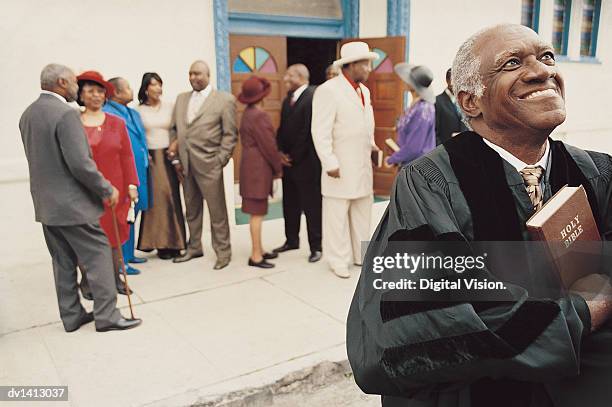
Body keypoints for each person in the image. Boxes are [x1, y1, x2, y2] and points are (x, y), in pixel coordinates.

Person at [347, 24, 612, 406]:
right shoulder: (430, 183)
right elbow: (429, 320)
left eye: (547, 56)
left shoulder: (597, 171)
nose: (542, 71)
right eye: (513, 62)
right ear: (471, 101)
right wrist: (584, 313)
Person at [19, 63, 141, 332]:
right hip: (72, 204)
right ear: (62, 82)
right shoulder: (66, 114)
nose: (77, 86)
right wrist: (106, 189)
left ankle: (72, 315)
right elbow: (80, 163)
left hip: (45, 204)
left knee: (62, 261)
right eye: (74, 82)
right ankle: (107, 315)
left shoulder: (28, 114)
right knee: (98, 251)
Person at [312, 41, 380, 279]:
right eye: (366, 64)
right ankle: (337, 260)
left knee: (363, 213)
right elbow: (320, 132)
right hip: (339, 167)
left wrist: (372, 146)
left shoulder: (365, 91)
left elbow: (366, 125)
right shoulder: (328, 90)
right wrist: (329, 162)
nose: (370, 69)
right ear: (351, 66)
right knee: (337, 217)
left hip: (361, 164)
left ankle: (362, 256)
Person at [168, 60, 237, 270]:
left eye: (197, 73)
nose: (193, 77)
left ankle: (223, 252)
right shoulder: (181, 100)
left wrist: (220, 160)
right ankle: (194, 246)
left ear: (208, 75)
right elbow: (174, 130)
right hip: (186, 166)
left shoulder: (224, 100)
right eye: (190, 74)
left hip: (210, 165)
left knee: (217, 213)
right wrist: (177, 158)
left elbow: (230, 134)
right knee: (192, 209)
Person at [77, 71, 140, 296]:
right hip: (85, 192)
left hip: (115, 191)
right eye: (90, 91)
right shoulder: (73, 123)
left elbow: (127, 156)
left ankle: (115, 279)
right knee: (88, 240)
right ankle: (88, 282)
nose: (96, 95)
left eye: (100, 91)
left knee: (114, 237)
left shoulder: (117, 123)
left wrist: (132, 184)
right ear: (81, 95)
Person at [274, 64, 322, 263]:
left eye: (289, 76)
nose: (285, 79)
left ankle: (316, 246)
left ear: (301, 77)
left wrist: (292, 155)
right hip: (289, 163)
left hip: (307, 163)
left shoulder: (314, 96)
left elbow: (307, 132)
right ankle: (291, 240)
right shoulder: (288, 100)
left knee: (312, 206)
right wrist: (279, 152)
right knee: (290, 204)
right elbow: (282, 129)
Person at [136, 73, 187, 260]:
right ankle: (160, 243)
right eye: (154, 85)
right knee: (157, 200)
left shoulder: (170, 107)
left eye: (160, 84)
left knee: (173, 197)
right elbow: (137, 135)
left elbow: (179, 128)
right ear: (146, 89)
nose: (158, 88)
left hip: (170, 156)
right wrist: (143, 154)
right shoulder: (138, 111)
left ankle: (177, 241)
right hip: (151, 159)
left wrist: (175, 145)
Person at [103, 77, 150, 274]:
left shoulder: (133, 113)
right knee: (121, 216)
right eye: (128, 87)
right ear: (116, 92)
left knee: (133, 213)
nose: (132, 90)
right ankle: (120, 261)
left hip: (139, 170)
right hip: (121, 174)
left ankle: (129, 254)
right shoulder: (107, 114)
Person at [237, 76, 283, 268]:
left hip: (249, 167)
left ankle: (260, 249)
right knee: (257, 213)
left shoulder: (247, 113)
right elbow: (269, 146)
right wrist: (278, 167)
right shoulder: (259, 115)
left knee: (257, 212)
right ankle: (256, 256)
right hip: (257, 170)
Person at [385, 64, 436, 167]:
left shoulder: (423, 109)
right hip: (409, 164)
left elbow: (414, 148)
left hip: (417, 168)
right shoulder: (415, 105)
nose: (405, 81)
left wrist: (392, 159)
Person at [435, 68, 468, 145]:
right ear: (448, 81)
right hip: (445, 151)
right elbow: (434, 132)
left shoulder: (465, 101)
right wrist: (442, 152)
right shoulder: (437, 101)